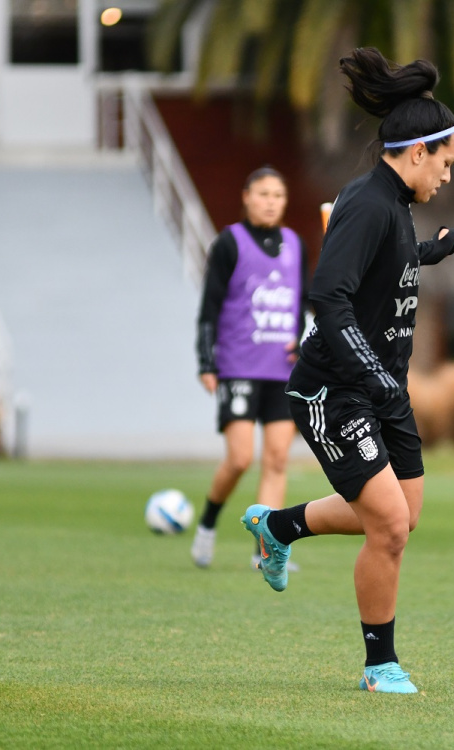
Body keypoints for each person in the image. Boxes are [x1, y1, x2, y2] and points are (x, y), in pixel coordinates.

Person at [241, 47, 454, 695]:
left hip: (382, 388)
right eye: (446, 163)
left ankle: (277, 525)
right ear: (417, 152)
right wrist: (372, 375)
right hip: (335, 390)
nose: (448, 177)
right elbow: (329, 297)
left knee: (403, 515)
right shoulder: (366, 202)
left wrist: (430, 253)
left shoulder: (393, 206)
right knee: (389, 526)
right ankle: (379, 666)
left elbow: (385, 265)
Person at [191, 166, 308, 569]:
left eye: (278, 194)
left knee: (276, 460)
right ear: (246, 196)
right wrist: (206, 361)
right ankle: (207, 524)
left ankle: (266, 550)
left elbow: (301, 304)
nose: (271, 201)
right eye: (263, 193)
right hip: (239, 366)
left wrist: (304, 335)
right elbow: (209, 308)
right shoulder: (229, 243)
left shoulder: (296, 244)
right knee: (240, 458)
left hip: (283, 369)